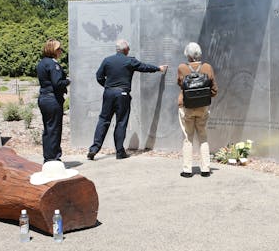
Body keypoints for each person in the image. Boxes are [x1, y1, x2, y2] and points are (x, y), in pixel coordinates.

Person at [88, 39, 167, 160]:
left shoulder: (107, 60)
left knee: (103, 120)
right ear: (125, 50)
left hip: (108, 93)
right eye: (128, 48)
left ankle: (94, 149)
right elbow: (144, 67)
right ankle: (120, 152)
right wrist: (158, 68)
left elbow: (99, 76)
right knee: (121, 122)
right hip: (123, 94)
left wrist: (108, 86)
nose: (129, 50)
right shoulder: (129, 61)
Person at [177, 42, 218, 177]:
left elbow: (180, 84)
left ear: (187, 55)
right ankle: (205, 169)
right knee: (203, 137)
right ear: (199, 54)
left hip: (186, 107)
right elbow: (214, 90)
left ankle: (187, 170)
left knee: (188, 138)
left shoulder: (182, 68)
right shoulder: (207, 67)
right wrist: (204, 98)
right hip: (203, 108)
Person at [36, 39, 70, 162]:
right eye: (59, 49)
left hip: (44, 98)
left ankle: (48, 157)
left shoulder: (41, 63)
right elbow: (57, 83)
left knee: (48, 129)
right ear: (54, 50)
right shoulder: (53, 64)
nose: (61, 51)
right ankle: (54, 158)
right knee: (55, 129)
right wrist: (68, 81)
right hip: (53, 99)